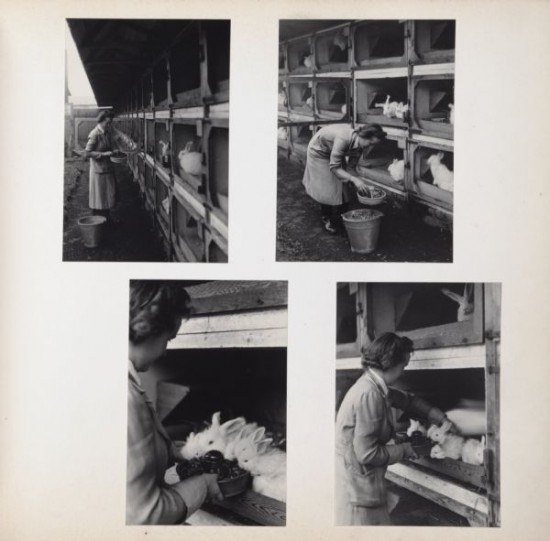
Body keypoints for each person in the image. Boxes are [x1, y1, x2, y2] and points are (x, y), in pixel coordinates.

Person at [127, 280, 223, 525]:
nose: (165, 352)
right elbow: (144, 514)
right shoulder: (127, 399)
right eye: (167, 339)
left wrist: (173, 452)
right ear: (148, 329)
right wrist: (203, 484)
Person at [335, 332, 455, 525]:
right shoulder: (369, 394)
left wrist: (437, 415)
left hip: (361, 482)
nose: (404, 372)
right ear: (390, 363)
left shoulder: (373, 385)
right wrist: (409, 449)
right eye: (403, 365)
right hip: (356, 487)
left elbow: (407, 401)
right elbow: (367, 454)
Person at [302, 123, 386, 233]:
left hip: (333, 151)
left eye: (374, 145)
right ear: (363, 135)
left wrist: (360, 184)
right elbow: (335, 167)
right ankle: (326, 217)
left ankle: (342, 217)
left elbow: (350, 168)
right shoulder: (343, 138)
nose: (371, 147)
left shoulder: (361, 145)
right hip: (319, 152)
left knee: (344, 186)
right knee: (328, 186)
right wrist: (354, 180)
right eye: (370, 143)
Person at [84, 110, 135, 224]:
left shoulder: (106, 132)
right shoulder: (94, 134)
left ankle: (107, 219)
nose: (109, 125)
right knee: (99, 197)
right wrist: (104, 154)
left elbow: (112, 142)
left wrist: (114, 150)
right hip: (98, 171)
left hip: (107, 168)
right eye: (107, 122)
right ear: (101, 121)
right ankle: (97, 222)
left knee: (107, 196)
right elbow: (87, 153)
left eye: (110, 122)